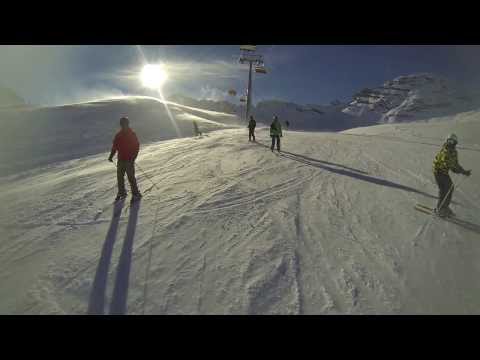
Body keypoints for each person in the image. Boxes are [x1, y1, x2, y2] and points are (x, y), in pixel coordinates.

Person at [432, 133, 471, 217]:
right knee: (447, 188)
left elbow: (455, 165)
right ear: (446, 141)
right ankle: (442, 208)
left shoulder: (454, 152)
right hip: (438, 171)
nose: (450, 143)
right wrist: (462, 171)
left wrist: (463, 171)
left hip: (443, 172)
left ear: (455, 143)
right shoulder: (445, 151)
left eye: (452, 141)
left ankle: (443, 207)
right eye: (449, 141)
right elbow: (450, 164)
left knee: (447, 189)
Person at [108, 116, 142, 202]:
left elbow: (136, 146)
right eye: (122, 124)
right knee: (120, 177)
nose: (123, 125)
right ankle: (122, 192)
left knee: (131, 177)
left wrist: (133, 157)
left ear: (127, 124)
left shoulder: (132, 134)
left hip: (129, 160)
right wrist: (111, 156)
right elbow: (114, 147)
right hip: (121, 160)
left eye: (125, 124)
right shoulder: (118, 135)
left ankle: (136, 193)